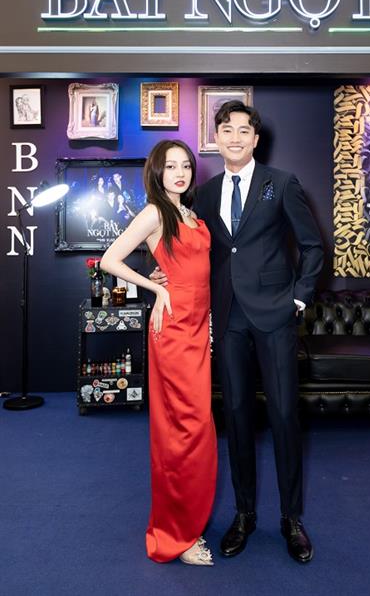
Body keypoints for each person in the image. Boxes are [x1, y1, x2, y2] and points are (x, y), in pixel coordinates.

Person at [152, 101, 323, 563]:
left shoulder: (281, 183)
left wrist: (298, 299)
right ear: (217, 138)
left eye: (243, 130)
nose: (234, 137)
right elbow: (189, 249)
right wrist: (162, 277)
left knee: (284, 416)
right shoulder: (203, 195)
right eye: (226, 130)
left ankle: (291, 519)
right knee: (237, 417)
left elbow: (312, 246)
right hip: (227, 318)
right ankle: (244, 514)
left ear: (255, 139)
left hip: (275, 316)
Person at [100, 140, 217, 567]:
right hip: (173, 329)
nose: (180, 173)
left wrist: (208, 323)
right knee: (183, 431)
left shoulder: (191, 216)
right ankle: (177, 535)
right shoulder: (154, 212)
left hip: (197, 328)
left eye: (185, 165)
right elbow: (110, 260)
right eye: (171, 167)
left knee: (197, 429)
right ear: (157, 172)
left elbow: (199, 274)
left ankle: (188, 520)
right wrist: (156, 288)